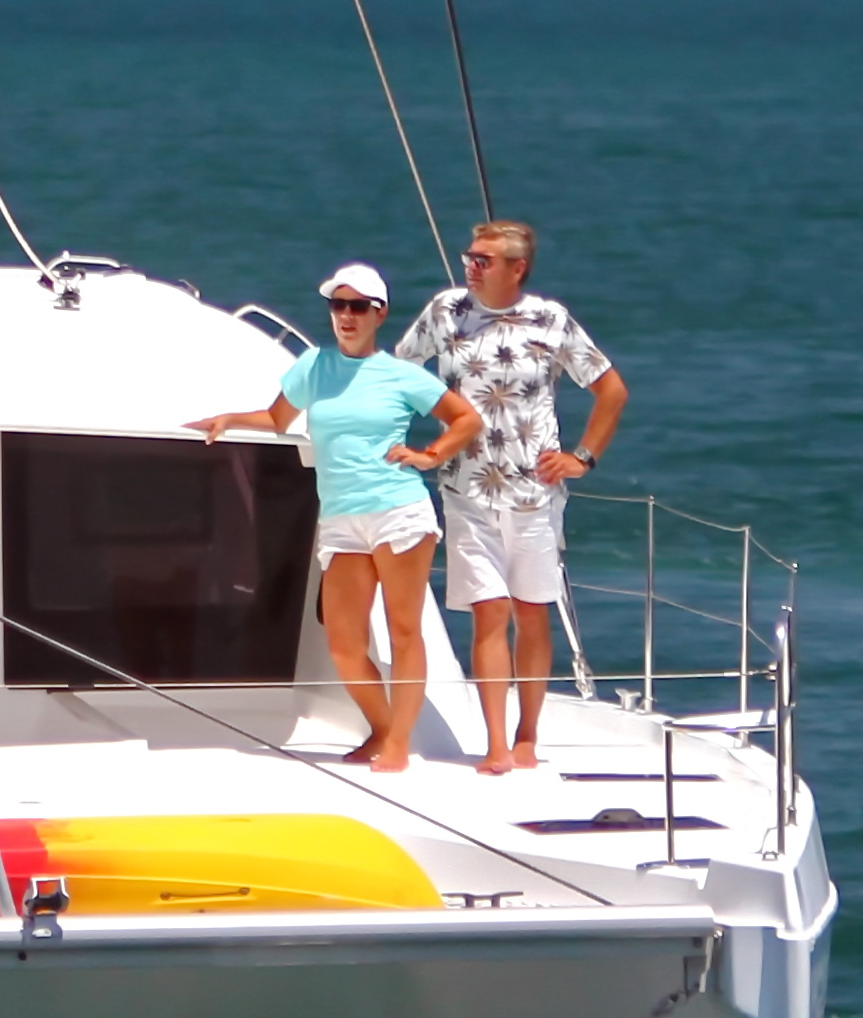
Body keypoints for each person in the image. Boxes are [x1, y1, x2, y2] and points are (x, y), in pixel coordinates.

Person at [187, 259, 480, 773]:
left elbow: (466, 419)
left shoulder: (400, 374)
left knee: (404, 632)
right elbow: (278, 418)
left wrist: (430, 455)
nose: (346, 315)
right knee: (344, 644)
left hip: (398, 512)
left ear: (379, 314)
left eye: (358, 307)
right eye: (338, 305)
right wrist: (229, 419)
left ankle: (398, 744)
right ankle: (383, 729)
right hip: (342, 518)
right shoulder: (314, 366)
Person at [410, 218, 626, 775]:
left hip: (534, 492)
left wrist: (582, 458)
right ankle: (496, 744)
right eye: (469, 257)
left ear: (517, 268)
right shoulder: (446, 311)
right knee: (489, 612)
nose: (471, 267)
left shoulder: (550, 320)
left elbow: (610, 390)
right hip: (464, 488)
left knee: (531, 612)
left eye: (483, 260)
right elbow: (399, 373)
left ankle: (527, 734)